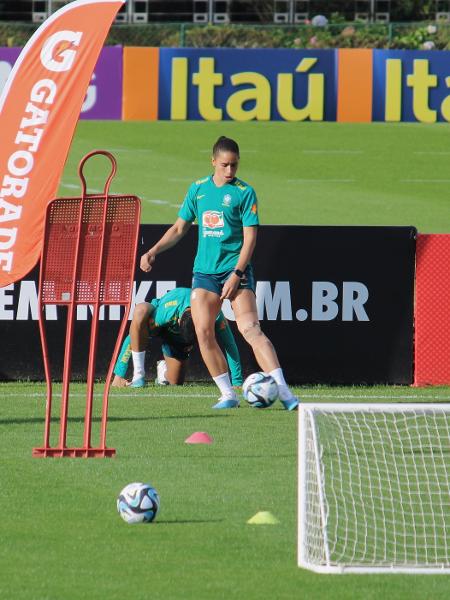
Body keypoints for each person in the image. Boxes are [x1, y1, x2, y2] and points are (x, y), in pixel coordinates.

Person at [139, 136, 299, 410]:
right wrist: (153, 251)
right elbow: (179, 228)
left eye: (234, 165)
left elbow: (250, 240)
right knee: (203, 331)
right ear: (213, 161)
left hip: (235, 271)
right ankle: (227, 394)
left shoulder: (244, 192)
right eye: (224, 165)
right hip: (205, 273)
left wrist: (237, 273)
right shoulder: (198, 189)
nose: (230, 171)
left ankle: (284, 393)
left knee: (250, 330)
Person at [112, 286, 242, 388]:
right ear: (179, 320)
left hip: (178, 340)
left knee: (175, 382)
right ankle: (138, 377)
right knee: (140, 311)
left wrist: (237, 381)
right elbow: (133, 336)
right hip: (164, 326)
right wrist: (119, 374)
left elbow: (229, 344)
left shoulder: (214, 314)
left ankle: (163, 373)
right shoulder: (167, 311)